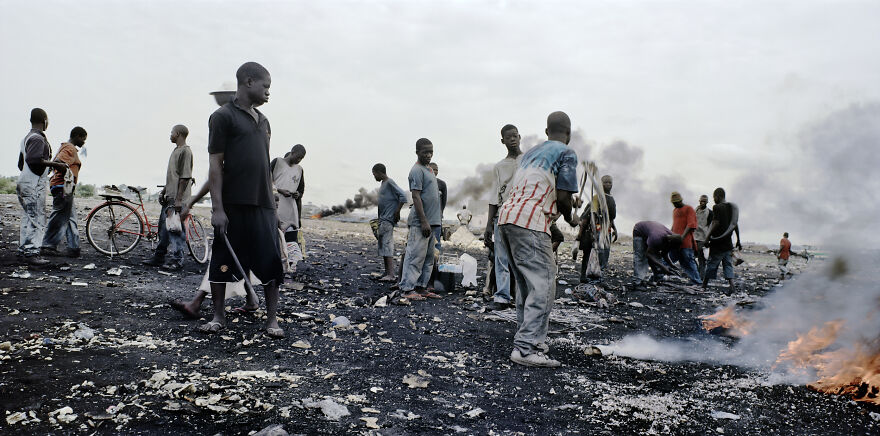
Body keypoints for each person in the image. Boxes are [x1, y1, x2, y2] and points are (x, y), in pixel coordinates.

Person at [201, 61, 285, 338]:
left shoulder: (264, 121)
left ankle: (272, 320)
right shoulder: (223, 117)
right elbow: (215, 165)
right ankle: (218, 316)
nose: (268, 92)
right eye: (266, 86)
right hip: (233, 204)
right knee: (222, 260)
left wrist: (273, 205)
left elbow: (264, 168)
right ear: (249, 82)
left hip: (263, 204)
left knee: (271, 260)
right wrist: (217, 209)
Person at [497, 111, 580, 368]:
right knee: (543, 285)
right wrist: (572, 218)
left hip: (507, 217)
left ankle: (529, 339)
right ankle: (525, 348)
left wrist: (562, 201)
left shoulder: (532, 152)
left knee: (526, 286)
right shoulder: (567, 152)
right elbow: (565, 197)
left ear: (546, 132)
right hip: (530, 222)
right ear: (569, 133)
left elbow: (542, 187)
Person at [170, 181, 261, 319]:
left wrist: (190, 204)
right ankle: (250, 300)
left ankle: (198, 304)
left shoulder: (231, 162)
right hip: (238, 212)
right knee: (235, 256)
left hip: (239, 212)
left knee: (224, 257)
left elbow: (213, 180)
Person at [17, 108, 67, 265]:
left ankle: (24, 250)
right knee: (37, 218)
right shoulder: (38, 139)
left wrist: (47, 166)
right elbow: (34, 160)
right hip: (32, 185)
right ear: (45, 121)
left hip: (24, 181)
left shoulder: (27, 137)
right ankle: (32, 253)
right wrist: (56, 165)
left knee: (28, 217)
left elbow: (21, 164)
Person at [142, 125, 193, 271]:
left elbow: (184, 178)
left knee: (175, 230)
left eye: (171, 133)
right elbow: (173, 177)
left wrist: (178, 199)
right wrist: (164, 191)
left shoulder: (185, 151)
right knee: (163, 230)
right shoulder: (176, 150)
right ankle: (159, 257)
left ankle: (177, 260)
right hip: (170, 197)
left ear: (177, 134)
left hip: (177, 200)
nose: (170, 135)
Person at [398, 139, 443, 300]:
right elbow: (416, 196)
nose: (429, 155)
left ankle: (421, 287)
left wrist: (435, 222)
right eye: (425, 152)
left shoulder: (429, 169)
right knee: (415, 256)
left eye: (431, 152)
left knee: (429, 258)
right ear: (417, 152)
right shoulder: (416, 170)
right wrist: (424, 221)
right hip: (421, 222)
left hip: (432, 222)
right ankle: (407, 289)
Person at [484, 124, 522, 310]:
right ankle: (502, 297)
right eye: (509, 137)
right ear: (503, 141)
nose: (513, 139)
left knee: (522, 259)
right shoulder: (499, 167)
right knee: (501, 258)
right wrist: (489, 225)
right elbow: (494, 195)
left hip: (523, 217)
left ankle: (522, 297)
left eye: (515, 136)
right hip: (502, 216)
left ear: (520, 137)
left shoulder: (528, 161)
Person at [41, 126, 87, 258]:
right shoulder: (69, 148)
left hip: (63, 187)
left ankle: (74, 247)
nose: (84, 142)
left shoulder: (67, 147)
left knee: (70, 217)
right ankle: (48, 245)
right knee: (59, 216)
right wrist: (66, 173)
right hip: (62, 187)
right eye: (83, 139)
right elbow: (58, 162)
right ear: (77, 136)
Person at [576, 174, 618, 282]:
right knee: (588, 253)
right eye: (605, 182)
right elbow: (590, 215)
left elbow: (610, 217)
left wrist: (615, 230)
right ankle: (584, 276)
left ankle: (598, 277)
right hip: (594, 230)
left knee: (604, 255)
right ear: (601, 184)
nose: (608, 184)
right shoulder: (596, 198)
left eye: (610, 182)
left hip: (606, 231)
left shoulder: (611, 199)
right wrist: (586, 233)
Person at [271, 144, 306, 272]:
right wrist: (279, 190)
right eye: (298, 157)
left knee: (291, 236)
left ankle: (289, 265)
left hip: (291, 208)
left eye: (301, 159)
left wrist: (298, 194)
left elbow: (301, 189)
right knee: (274, 235)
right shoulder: (277, 162)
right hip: (275, 205)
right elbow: (266, 181)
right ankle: (273, 262)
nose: (299, 160)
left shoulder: (300, 170)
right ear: (292, 152)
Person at [702, 187, 741, 292]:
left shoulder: (717, 207)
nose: (714, 199)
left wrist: (707, 238)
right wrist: (738, 240)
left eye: (714, 197)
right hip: (728, 243)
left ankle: (704, 286)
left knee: (711, 264)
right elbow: (735, 224)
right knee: (727, 265)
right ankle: (732, 286)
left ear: (717, 196)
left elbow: (715, 222)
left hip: (717, 243)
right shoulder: (731, 208)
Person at [373, 163, 408, 281]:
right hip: (383, 219)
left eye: (374, 174)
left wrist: (397, 211)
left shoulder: (389, 182)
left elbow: (403, 196)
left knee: (387, 245)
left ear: (379, 172)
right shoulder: (384, 184)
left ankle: (391, 274)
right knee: (383, 246)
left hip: (388, 220)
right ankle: (387, 272)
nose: (374, 177)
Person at [669, 191, 702, 285]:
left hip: (685, 242)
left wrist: (682, 237)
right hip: (675, 242)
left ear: (680, 200)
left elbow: (691, 224)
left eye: (676, 202)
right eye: (673, 203)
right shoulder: (675, 211)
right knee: (667, 260)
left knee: (688, 262)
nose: (675, 204)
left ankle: (697, 282)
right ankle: (657, 277)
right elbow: (674, 225)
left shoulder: (688, 209)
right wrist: (670, 235)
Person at [693, 194, 713, 279]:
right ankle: (697, 274)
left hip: (703, 239)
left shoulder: (710, 213)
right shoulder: (695, 211)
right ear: (699, 201)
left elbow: (711, 226)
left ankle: (701, 278)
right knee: (690, 257)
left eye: (704, 201)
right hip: (693, 238)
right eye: (701, 201)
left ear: (707, 202)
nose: (702, 202)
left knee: (702, 260)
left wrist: (709, 239)